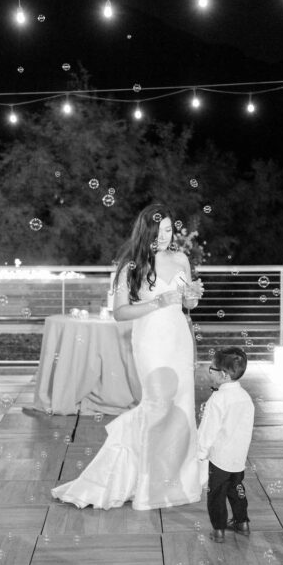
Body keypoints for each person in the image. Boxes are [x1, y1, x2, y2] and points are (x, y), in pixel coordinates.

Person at [52, 203, 204, 510]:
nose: (165, 235)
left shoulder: (181, 258)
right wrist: (158, 303)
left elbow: (188, 304)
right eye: (160, 230)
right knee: (158, 406)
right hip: (150, 341)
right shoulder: (130, 266)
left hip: (178, 339)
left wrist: (192, 297)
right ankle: (148, 482)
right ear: (146, 230)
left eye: (169, 229)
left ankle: (179, 480)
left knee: (182, 406)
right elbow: (121, 312)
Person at [197, 346, 254, 543]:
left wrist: (200, 452)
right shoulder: (245, 397)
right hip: (238, 458)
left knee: (216, 494)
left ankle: (219, 529)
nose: (209, 372)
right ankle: (242, 522)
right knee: (237, 489)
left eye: (211, 369)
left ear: (222, 375)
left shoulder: (218, 398)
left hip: (220, 459)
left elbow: (208, 429)